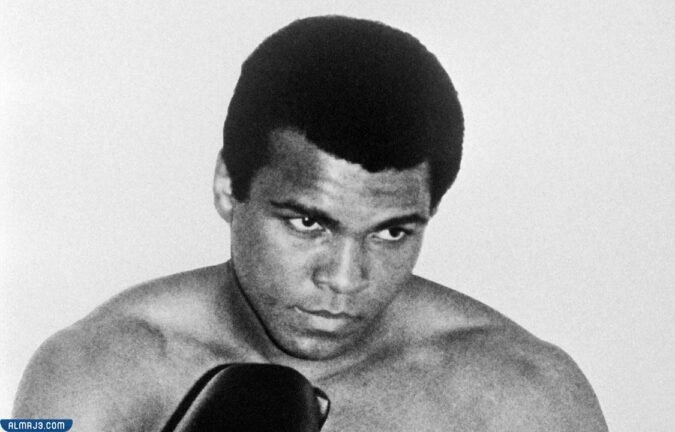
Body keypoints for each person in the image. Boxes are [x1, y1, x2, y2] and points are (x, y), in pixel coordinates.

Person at [13, 15, 608, 431]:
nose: (345, 280)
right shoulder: (93, 371)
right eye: (307, 223)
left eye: (391, 232)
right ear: (228, 186)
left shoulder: (523, 395)